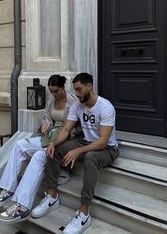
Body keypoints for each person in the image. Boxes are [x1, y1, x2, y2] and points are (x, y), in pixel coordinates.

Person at [31, 72, 119, 234]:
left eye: (79, 90)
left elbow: (103, 141)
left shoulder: (105, 107)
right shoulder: (78, 105)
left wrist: (78, 151)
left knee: (91, 158)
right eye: (75, 90)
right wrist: (53, 142)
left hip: (107, 149)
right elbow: (65, 129)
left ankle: (84, 213)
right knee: (54, 149)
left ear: (89, 86)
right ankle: (52, 197)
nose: (76, 94)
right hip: (85, 142)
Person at [0, 74, 77, 224]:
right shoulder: (51, 101)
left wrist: (57, 138)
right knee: (20, 145)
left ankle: (21, 207)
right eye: (51, 91)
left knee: (39, 156)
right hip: (50, 137)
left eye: (56, 91)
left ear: (63, 88)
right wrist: (45, 123)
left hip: (65, 139)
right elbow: (47, 117)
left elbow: (72, 129)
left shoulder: (73, 102)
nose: (53, 94)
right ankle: (7, 189)